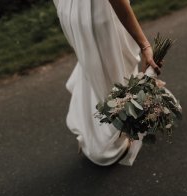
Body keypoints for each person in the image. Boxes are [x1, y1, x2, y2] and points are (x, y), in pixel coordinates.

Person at [52, 0, 160, 166]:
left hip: (71, 12)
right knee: (115, 78)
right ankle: (110, 139)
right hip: (97, 16)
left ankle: (90, 131)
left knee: (93, 73)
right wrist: (144, 45)